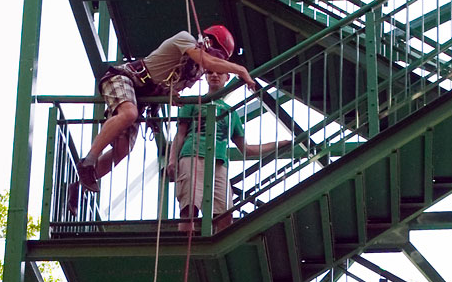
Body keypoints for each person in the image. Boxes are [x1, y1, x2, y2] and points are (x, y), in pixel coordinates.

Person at [68, 25, 258, 214]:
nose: (214, 61)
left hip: (140, 98)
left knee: (123, 149)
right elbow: (207, 61)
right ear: (207, 42)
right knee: (128, 114)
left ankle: (79, 185)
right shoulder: (185, 39)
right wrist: (240, 70)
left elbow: (173, 80)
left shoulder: (194, 70)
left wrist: (169, 94)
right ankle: (88, 162)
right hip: (124, 78)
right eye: (216, 55)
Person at [166, 70, 291, 232]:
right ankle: (185, 241)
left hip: (219, 163)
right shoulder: (193, 102)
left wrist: (279, 144)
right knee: (189, 207)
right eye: (210, 72)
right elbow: (180, 133)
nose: (214, 75)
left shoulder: (231, 112)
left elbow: (246, 149)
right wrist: (172, 159)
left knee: (224, 212)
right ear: (205, 77)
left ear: (227, 78)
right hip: (192, 155)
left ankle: (217, 242)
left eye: (220, 72)